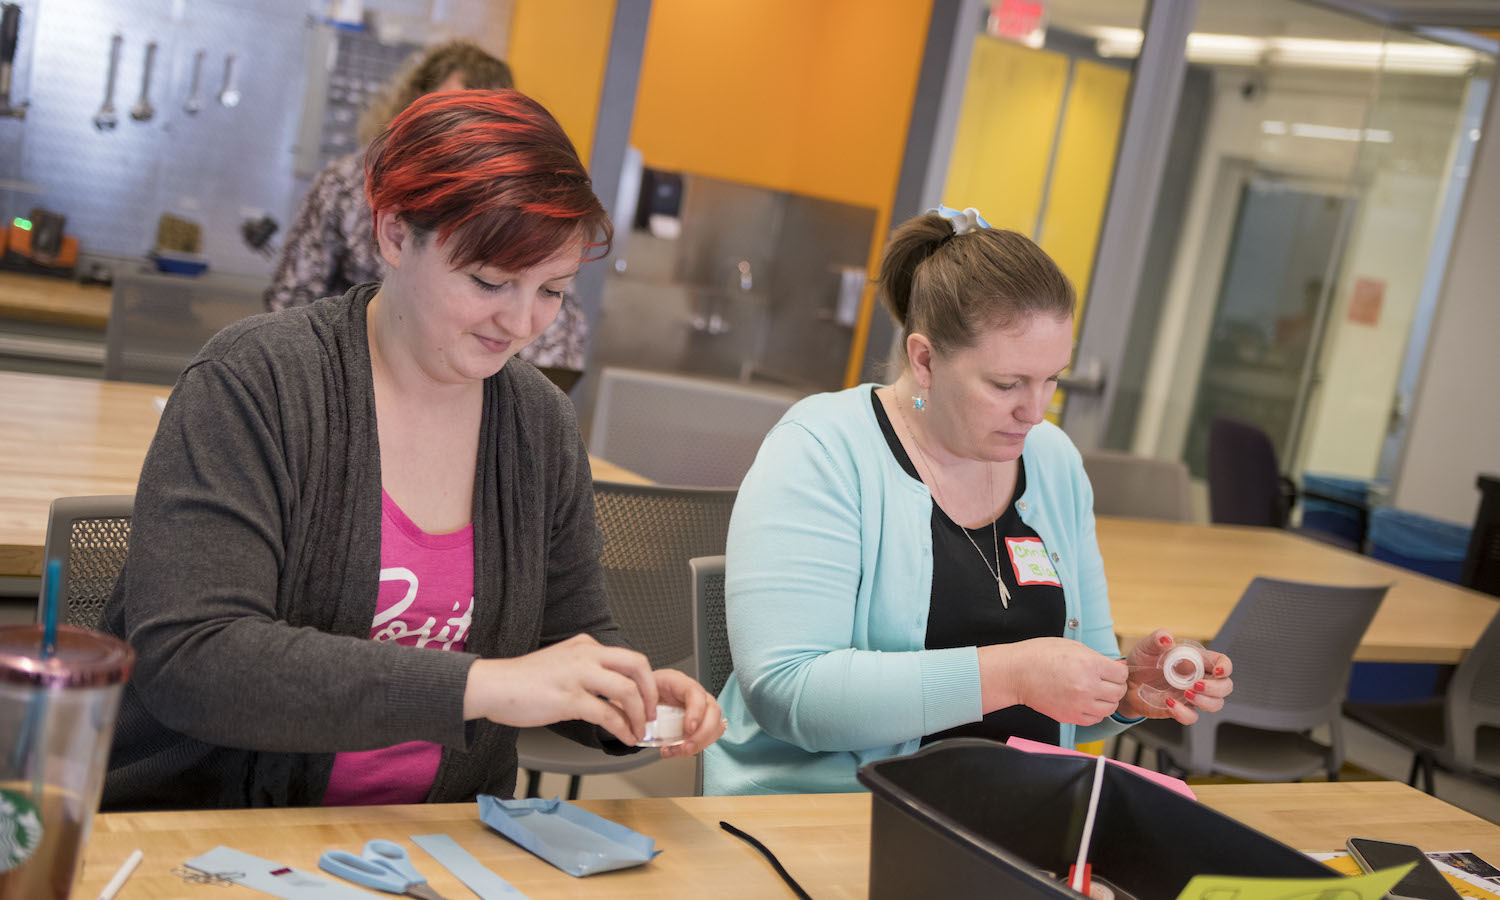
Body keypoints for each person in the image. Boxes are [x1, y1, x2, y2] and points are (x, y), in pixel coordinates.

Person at [101, 89, 723, 811]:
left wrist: (625, 699)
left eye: (551, 290)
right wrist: (481, 685)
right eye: (489, 281)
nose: (522, 323)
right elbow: (195, 659)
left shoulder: (538, 424)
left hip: (441, 837)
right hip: (218, 834)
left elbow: (567, 636)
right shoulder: (258, 382)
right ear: (395, 235)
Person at [702, 206, 1234, 795]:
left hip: (1009, 816)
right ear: (925, 360)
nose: (1034, 411)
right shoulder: (824, 450)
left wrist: (1124, 692)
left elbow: (1071, 702)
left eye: (1052, 379)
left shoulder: (1053, 462)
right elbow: (790, 693)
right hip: (834, 818)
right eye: (1007, 385)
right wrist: (1012, 674)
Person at [263, 41, 588, 372]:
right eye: (455, 117)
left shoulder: (529, 211)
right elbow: (290, 300)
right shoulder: (344, 185)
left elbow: (560, 351)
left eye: (491, 125)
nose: (469, 142)